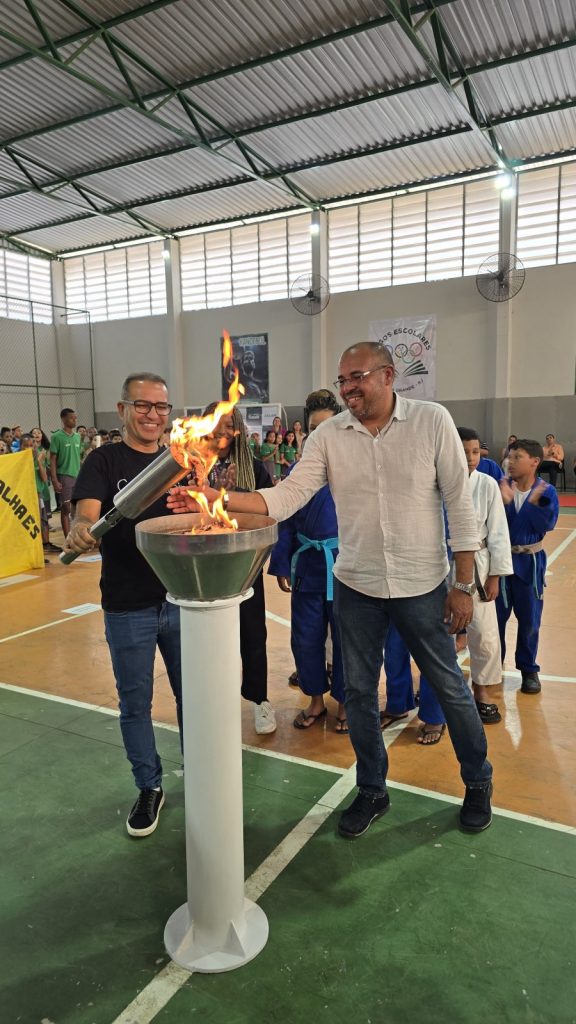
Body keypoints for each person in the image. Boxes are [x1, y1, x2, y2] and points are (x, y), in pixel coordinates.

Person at [169, 342, 493, 836]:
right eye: (342, 381)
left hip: (423, 584)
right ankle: (371, 791)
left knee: (449, 687)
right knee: (359, 694)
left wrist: (463, 584)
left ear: (388, 376)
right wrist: (218, 498)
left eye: (356, 378)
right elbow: (286, 497)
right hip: (355, 585)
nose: (347, 389)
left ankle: (477, 781)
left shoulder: (432, 422)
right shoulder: (328, 437)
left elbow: (460, 505)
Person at [63, 373, 182, 838]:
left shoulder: (179, 461)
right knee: (136, 704)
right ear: (123, 409)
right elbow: (88, 512)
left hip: (181, 599)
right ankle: (149, 786)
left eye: (161, 407)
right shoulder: (104, 458)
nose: (153, 414)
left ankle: (205, 772)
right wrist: (81, 527)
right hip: (127, 605)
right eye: (143, 405)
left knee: (193, 699)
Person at [383, 427, 513, 741]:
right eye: (462, 451)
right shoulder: (426, 478)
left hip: (471, 567)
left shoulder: (484, 484)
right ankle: (399, 701)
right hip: (417, 567)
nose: (469, 458)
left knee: (466, 639)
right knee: (398, 640)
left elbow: (496, 531)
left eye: (474, 452)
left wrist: (495, 573)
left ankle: (468, 699)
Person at [269, 389, 346, 732]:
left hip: (346, 567)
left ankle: (345, 701)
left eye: (327, 427)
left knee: (348, 640)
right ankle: (315, 700)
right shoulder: (299, 471)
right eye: (313, 429)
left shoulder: (354, 466)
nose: (320, 435)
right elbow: (285, 517)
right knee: (306, 637)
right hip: (308, 566)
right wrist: (282, 562)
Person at [201, 403, 277, 736]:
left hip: (245, 565)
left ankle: (259, 699)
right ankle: (214, 701)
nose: (222, 431)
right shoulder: (191, 466)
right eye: (215, 424)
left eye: (228, 425)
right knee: (210, 638)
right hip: (202, 567)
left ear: (238, 430)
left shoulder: (255, 470)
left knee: (252, 634)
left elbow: (267, 514)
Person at [496, 439, 559, 694]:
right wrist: (504, 502)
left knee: (530, 620)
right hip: (500, 564)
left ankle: (528, 669)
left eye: (517, 457)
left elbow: (546, 524)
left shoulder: (545, 492)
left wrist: (530, 502)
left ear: (534, 461)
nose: (510, 462)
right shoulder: (501, 488)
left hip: (529, 564)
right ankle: (493, 666)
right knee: (495, 620)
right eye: (509, 457)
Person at [50, 408, 82, 537]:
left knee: (77, 509)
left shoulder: (77, 436)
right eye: (71, 418)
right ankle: (68, 538)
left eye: (75, 418)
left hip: (78, 476)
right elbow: (52, 460)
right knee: (66, 509)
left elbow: (78, 458)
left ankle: (75, 536)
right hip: (64, 476)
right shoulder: (57, 436)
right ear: (63, 419)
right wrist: (54, 480)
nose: (74, 420)